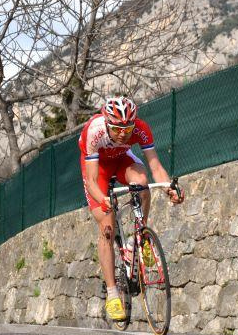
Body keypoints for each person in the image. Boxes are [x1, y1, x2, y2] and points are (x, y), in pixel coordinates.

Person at [79, 96, 184, 321]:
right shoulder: (94, 130)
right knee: (107, 228)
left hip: (121, 161)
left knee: (142, 184)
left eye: (127, 128)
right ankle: (113, 294)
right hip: (97, 169)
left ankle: (137, 239)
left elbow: (155, 165)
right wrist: (102, 198)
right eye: (117, 129)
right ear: (107, 123)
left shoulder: (141, 128)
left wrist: (169, 188)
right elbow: (92, 179)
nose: (123, 134)